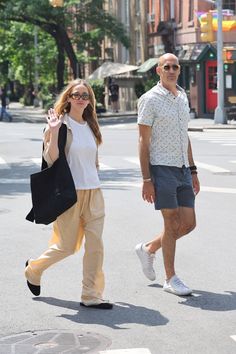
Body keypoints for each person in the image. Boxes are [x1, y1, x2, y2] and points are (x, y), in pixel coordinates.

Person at [25, 78, 113, 309]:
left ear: (90, 100)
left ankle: (91, 295)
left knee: (95, 246)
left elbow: (91, 159)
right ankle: (34, 269)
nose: (81, 99)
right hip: (70, 196)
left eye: (85, 96)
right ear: (69, 98)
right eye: (77, 95)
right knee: (67, 246)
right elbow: (51, 159)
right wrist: (53, 132)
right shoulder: (60, 125)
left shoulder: (91, 124)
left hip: (94, 193)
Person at [135, 53, 200, 296]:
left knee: (188, 224)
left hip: (183, 169)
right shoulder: (149, 99)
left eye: (175, 67)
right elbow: (143, 140)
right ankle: (170, 278)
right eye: (167, 67)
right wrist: (146, 179)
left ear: (179, 70)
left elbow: (185, 136)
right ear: (158, 70)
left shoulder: (182, 97)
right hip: (161, 169)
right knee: (171, 222)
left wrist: (193, 170)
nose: (171, 70)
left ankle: (149, 248)